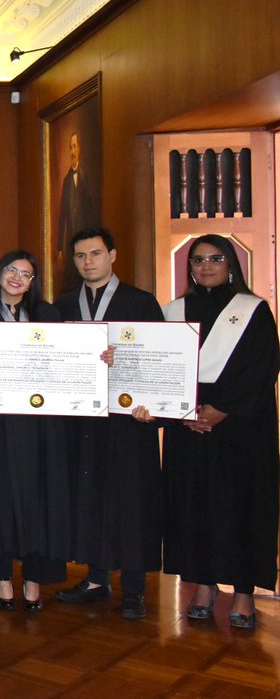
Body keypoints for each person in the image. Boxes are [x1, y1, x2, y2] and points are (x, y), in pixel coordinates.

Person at [148, 234, 278, 629]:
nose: (206, 266)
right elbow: (159, 366)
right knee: (192, 506)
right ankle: (202, 586)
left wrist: (221, 410)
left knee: (242, 507)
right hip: (188, 430)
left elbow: (264, 367)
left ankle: (243, 593)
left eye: (215, 258)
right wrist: (181, 411)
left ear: (231, 263)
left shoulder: (254, 310)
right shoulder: (172, 312)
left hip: (241, 430)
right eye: (198, 260)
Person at [55, 227, 164, 620]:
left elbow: (157, 361)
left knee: (131, 501)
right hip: (82, 421)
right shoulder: (63, 305)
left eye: (96, 254)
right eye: (81, 255)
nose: (88, 262)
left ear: (113, 255)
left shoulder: (141, 302)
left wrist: (153, 406)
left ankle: (134, 589)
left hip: (128, 422)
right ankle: (96, 578)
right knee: (89, 496)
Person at [0, 250, 70, 611]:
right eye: (11, 269)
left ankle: (34, 579)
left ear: (32, 282)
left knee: (38, 500)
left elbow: (66, 363)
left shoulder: (49, 316)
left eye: (25, 274)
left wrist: (95, 359)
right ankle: (3, 578)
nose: (17, 278)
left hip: (39, 426)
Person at [56, 132, 98, 291]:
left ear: (79, 149)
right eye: (70, 147)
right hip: (71, 237)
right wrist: (60, 247)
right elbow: (62, 215)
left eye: (75, 146)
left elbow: (92, 206)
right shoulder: (67, 179)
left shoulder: (86, 174)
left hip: (86, 233)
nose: (72, 151)